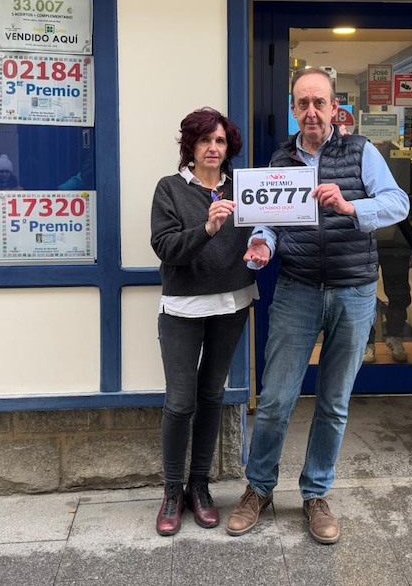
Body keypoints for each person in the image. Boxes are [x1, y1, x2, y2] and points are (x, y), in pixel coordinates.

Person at [227, 68, 408, 544]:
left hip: (353, 291)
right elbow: (268, 220)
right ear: (294, 108)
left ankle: (315, 494)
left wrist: (352, 207)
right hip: (298, 289)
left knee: (333, 403)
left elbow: (398, 203)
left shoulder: (362, 152)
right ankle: (259, 489)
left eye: (318, 103)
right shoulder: (280, 160)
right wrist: (262, 244)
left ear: (334, 107)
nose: (311, 111)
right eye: (302, 103)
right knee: (276, 400)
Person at [150, 107, 257, 537]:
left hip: (232, 302)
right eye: (204, 141)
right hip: (184, 308)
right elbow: (165, 247)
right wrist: (208, 229)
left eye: (220, 141)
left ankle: (200, 486)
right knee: (180, 401)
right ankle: (172, 491)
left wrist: (262, 249)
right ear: (190, 147)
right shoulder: (171, 189)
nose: (213, 148)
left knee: (212, 394)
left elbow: (261, 233)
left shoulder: (243, 188)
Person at [364, 141, 412, 364]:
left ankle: (394, 336)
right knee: (364, 293)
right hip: (366, 239)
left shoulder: (402, 161)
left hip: (397, 240)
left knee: (398, 292)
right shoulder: (360, 157)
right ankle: (367, 342)